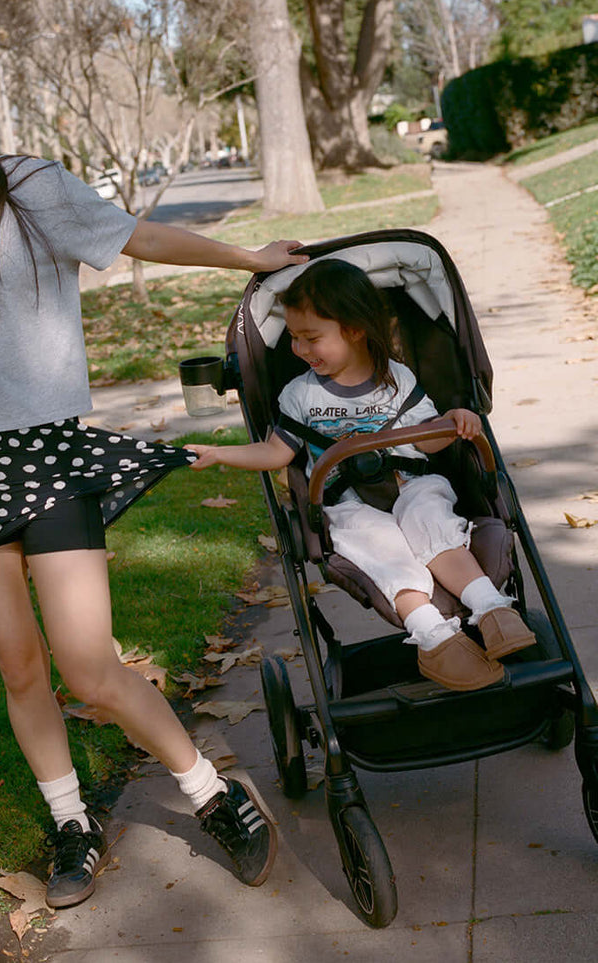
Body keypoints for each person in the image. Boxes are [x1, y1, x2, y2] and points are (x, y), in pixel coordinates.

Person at [0, 34, 307, 906]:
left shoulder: (29, 188)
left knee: (87, 668)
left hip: (48, 455)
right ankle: (72, 823)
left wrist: (248, 259)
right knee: (21, 667)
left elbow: (138, 238)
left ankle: (212, 794)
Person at [187, 258, 536, 692]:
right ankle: (434, 637)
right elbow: (277, 452)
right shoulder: (300, 395)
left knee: (430, 519)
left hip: (411, 481)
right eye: (294, 337)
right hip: (345, 500)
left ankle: (491, 609)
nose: (299, 349)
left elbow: (427, 440)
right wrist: (219, 453)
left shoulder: (397, 380)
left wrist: (455, 420)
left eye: (311, 338)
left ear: (354, 329)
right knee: (383, 548)